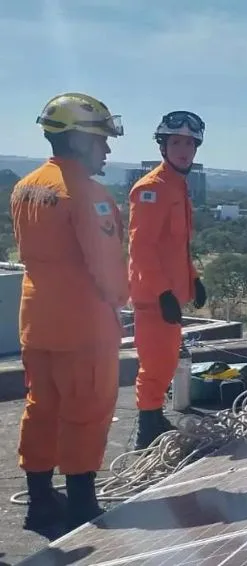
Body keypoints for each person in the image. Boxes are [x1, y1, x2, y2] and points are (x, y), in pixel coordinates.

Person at [13, 92, 128, 532]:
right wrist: (120, 301)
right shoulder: (88, 194)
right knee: (86, 409)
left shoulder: (27, 186)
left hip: (35, 318)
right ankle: (82, 504)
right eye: (101, 141)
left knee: (40, 407)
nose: (107, 149)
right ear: (80, 141)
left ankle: (40, 501)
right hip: (82, 326)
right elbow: (106, 270)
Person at [128, 111, 207, 450]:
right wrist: (162, 292)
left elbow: (178, 246)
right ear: (163, 146)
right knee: (156, 362)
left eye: (189, 143)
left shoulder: (178, 186)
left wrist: (194, 279)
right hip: (154, 295)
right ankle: (146, 430)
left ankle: (153, 416)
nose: (183, 150)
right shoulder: (151, 188)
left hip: (170, 293)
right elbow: (141, 247)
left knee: (166, 359)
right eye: (176, 142)